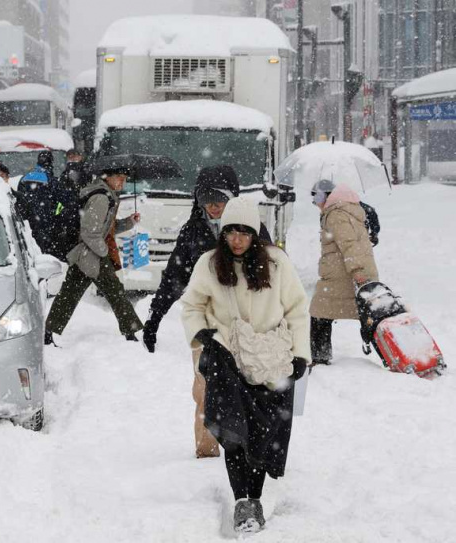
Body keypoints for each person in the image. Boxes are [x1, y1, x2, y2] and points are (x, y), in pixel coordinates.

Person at [181, 197, 310, 534]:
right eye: (231, 232)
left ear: (255, 234)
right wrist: (203, 334)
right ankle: (244, 502)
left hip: (272, 361)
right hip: (227, 358)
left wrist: (300, 355)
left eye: (244, 232)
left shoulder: (277, 264)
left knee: (265, 437)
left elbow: (297, 309)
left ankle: (256, 494)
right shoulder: (210, 265)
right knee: (235, 432)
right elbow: (191, 305)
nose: (237, 239)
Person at [143, 166, 271, 458]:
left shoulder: (253, 229)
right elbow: (174, 276)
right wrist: (154, 317)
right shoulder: (193, 231)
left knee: (248, 385)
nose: (212, 205)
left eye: (219, 198)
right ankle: (207, 450)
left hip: (248, 322)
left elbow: (275, 275)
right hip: (206, 324)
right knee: (206, 386)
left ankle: (245, 445)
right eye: (205, 198)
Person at [45, 164, 144, 345]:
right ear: (107, 177)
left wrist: (128, 223)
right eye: (119, 177)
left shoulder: (105, 194)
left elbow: (105, 228)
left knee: (69, 294)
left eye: (125, 178)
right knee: (115, 292)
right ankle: (131, 333)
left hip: (85, 252)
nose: (122, 182)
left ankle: (48, 332)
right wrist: (104, 252)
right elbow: (90, 232)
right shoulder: (101, 197)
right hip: (92, 253)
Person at [308, 179, 380, 367]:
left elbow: (350, 244)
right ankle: (390, 348)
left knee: (319, 312)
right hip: (342, 274)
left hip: (345, 275)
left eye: (316, 197)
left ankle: (319, 357)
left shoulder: (336, 214)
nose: (316, 203)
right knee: (369, 316)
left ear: (325, 196)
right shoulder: (344, 209)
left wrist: (358, 272)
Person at [17, 150, 57, 252]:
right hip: (45, 223)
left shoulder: (25, 178)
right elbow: (57, 201)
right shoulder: (51, 179)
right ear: (51, 162)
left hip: (27, 223)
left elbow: (19, 199)